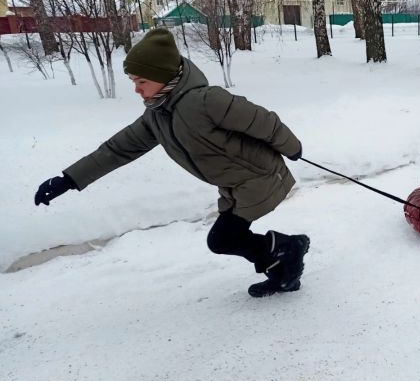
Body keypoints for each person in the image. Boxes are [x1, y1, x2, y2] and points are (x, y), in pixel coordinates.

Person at [34, 29, 309, 298]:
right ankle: (284, 264)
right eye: (133, 80)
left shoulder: (207, 101)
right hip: (235, 184)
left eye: (141, 80)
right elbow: (118, 149)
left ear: (161, 76)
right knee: (226, 239)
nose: (136, 88)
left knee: (223, 239)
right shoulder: (157, 115)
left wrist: (292, 148)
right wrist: (69, 179)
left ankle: (288, 253)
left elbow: (264, 123)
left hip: (260, 177)